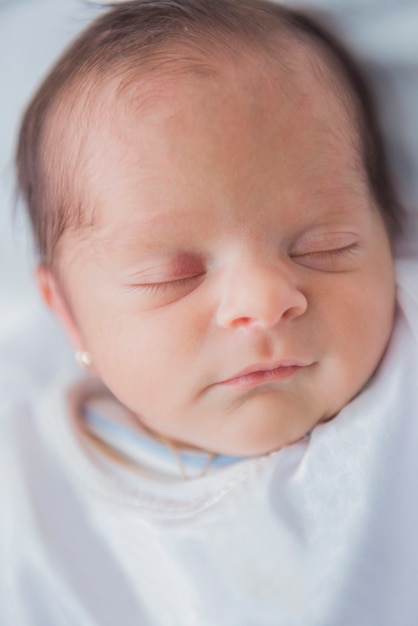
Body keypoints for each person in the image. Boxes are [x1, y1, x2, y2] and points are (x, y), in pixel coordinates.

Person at [2, 0, 418, 623]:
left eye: (324, 247)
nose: (262, 301)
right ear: (67, 316)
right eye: (173, 276)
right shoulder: (30, 499)